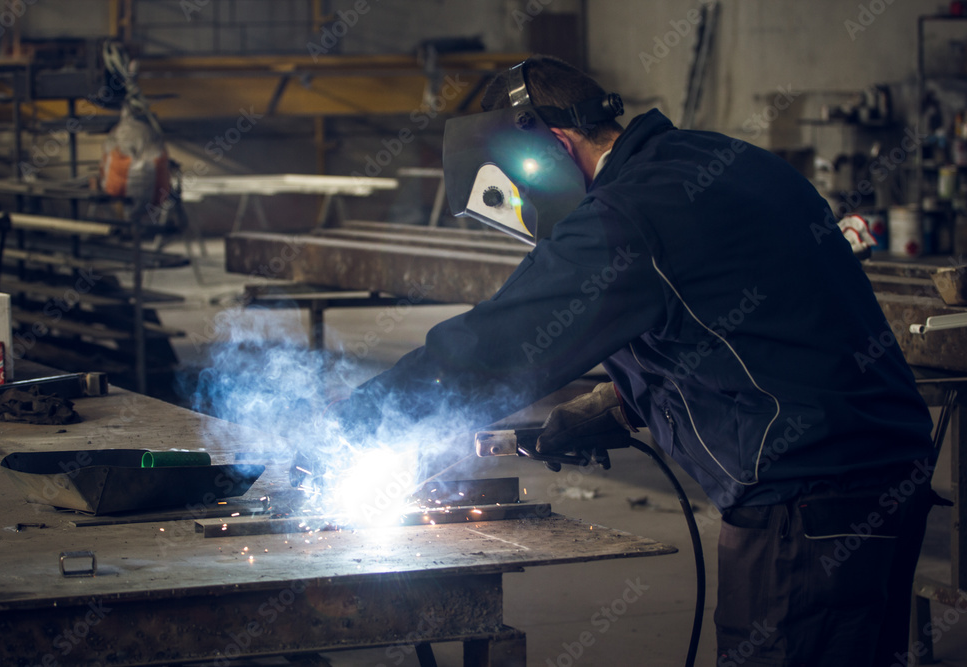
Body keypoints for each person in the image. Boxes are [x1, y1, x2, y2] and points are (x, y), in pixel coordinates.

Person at [335, 56, 938, 666]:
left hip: (805, 504)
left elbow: (495, 349)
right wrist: (621, 404)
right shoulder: (716, 160)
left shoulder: (624, 216)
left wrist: (353, 426)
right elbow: (744, 325)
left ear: (548, 149)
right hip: (884, 476)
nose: (523, 219)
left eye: (513, 196)